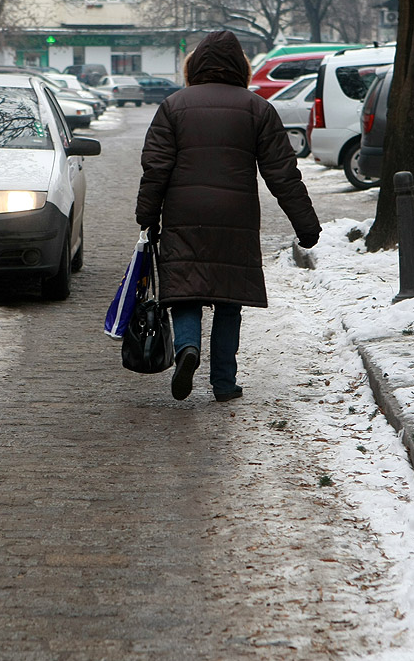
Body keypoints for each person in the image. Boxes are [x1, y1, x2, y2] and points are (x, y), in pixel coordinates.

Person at [135, 30, 321, 403]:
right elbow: (282, 174)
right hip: (236, 216)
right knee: (228, 299)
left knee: (186, 290)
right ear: (241, 67)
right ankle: (224, 382)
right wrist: (306, 225)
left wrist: (147, 215)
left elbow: (156, 168)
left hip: (184, 213)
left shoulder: (173, 106)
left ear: (194, 66)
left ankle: (188, 347)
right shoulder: (257, 109)